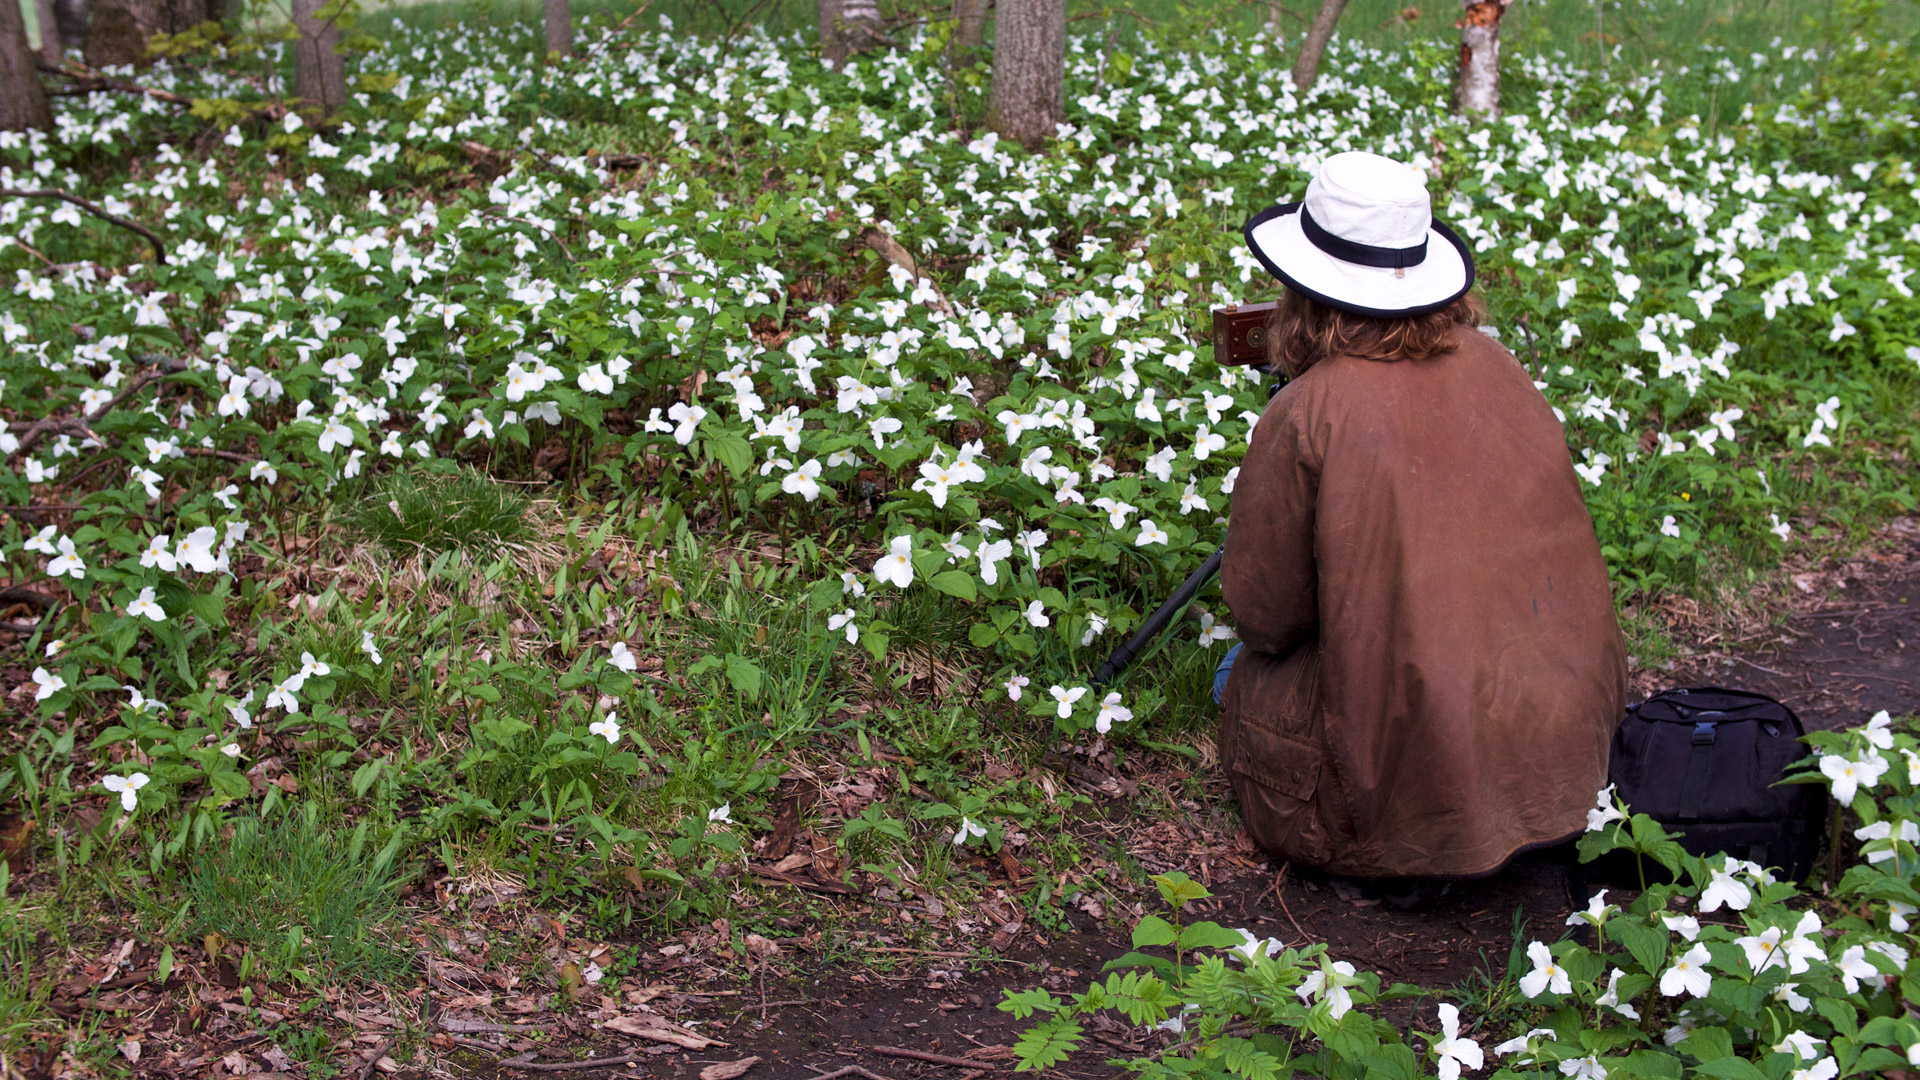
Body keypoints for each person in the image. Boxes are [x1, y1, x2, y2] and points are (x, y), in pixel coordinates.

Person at [1214, 151, 1627, 887]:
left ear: (1303, 289)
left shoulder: (1308, 410)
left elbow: (1266, 617)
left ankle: (1420, 836)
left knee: (1236, 669)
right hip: (1567, 759)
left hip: (1399, 798)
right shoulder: (1500, 365)